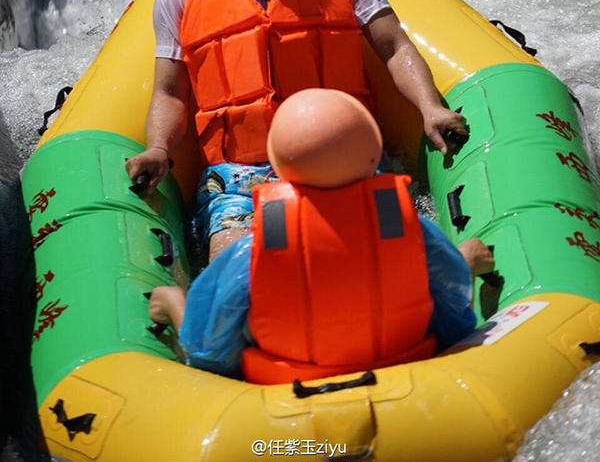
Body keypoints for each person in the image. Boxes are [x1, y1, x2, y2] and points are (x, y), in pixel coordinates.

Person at [126, 0, 466, 262]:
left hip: (345, 155)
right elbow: (169, 91)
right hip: (239, 179)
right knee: (245, 274)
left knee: (394, 265)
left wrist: (430, 108)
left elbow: (394, 47)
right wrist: (158, 147)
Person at [148, 89, 494, 382]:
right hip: (405, 362)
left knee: (202, 310)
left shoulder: (259, 247)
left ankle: (173, 302)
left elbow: (209, 347)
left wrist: (181, 310)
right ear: (374, 154)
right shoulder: (408, 226)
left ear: (278, 168)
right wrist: (463, 265)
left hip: (289, 381)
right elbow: (453, 300)